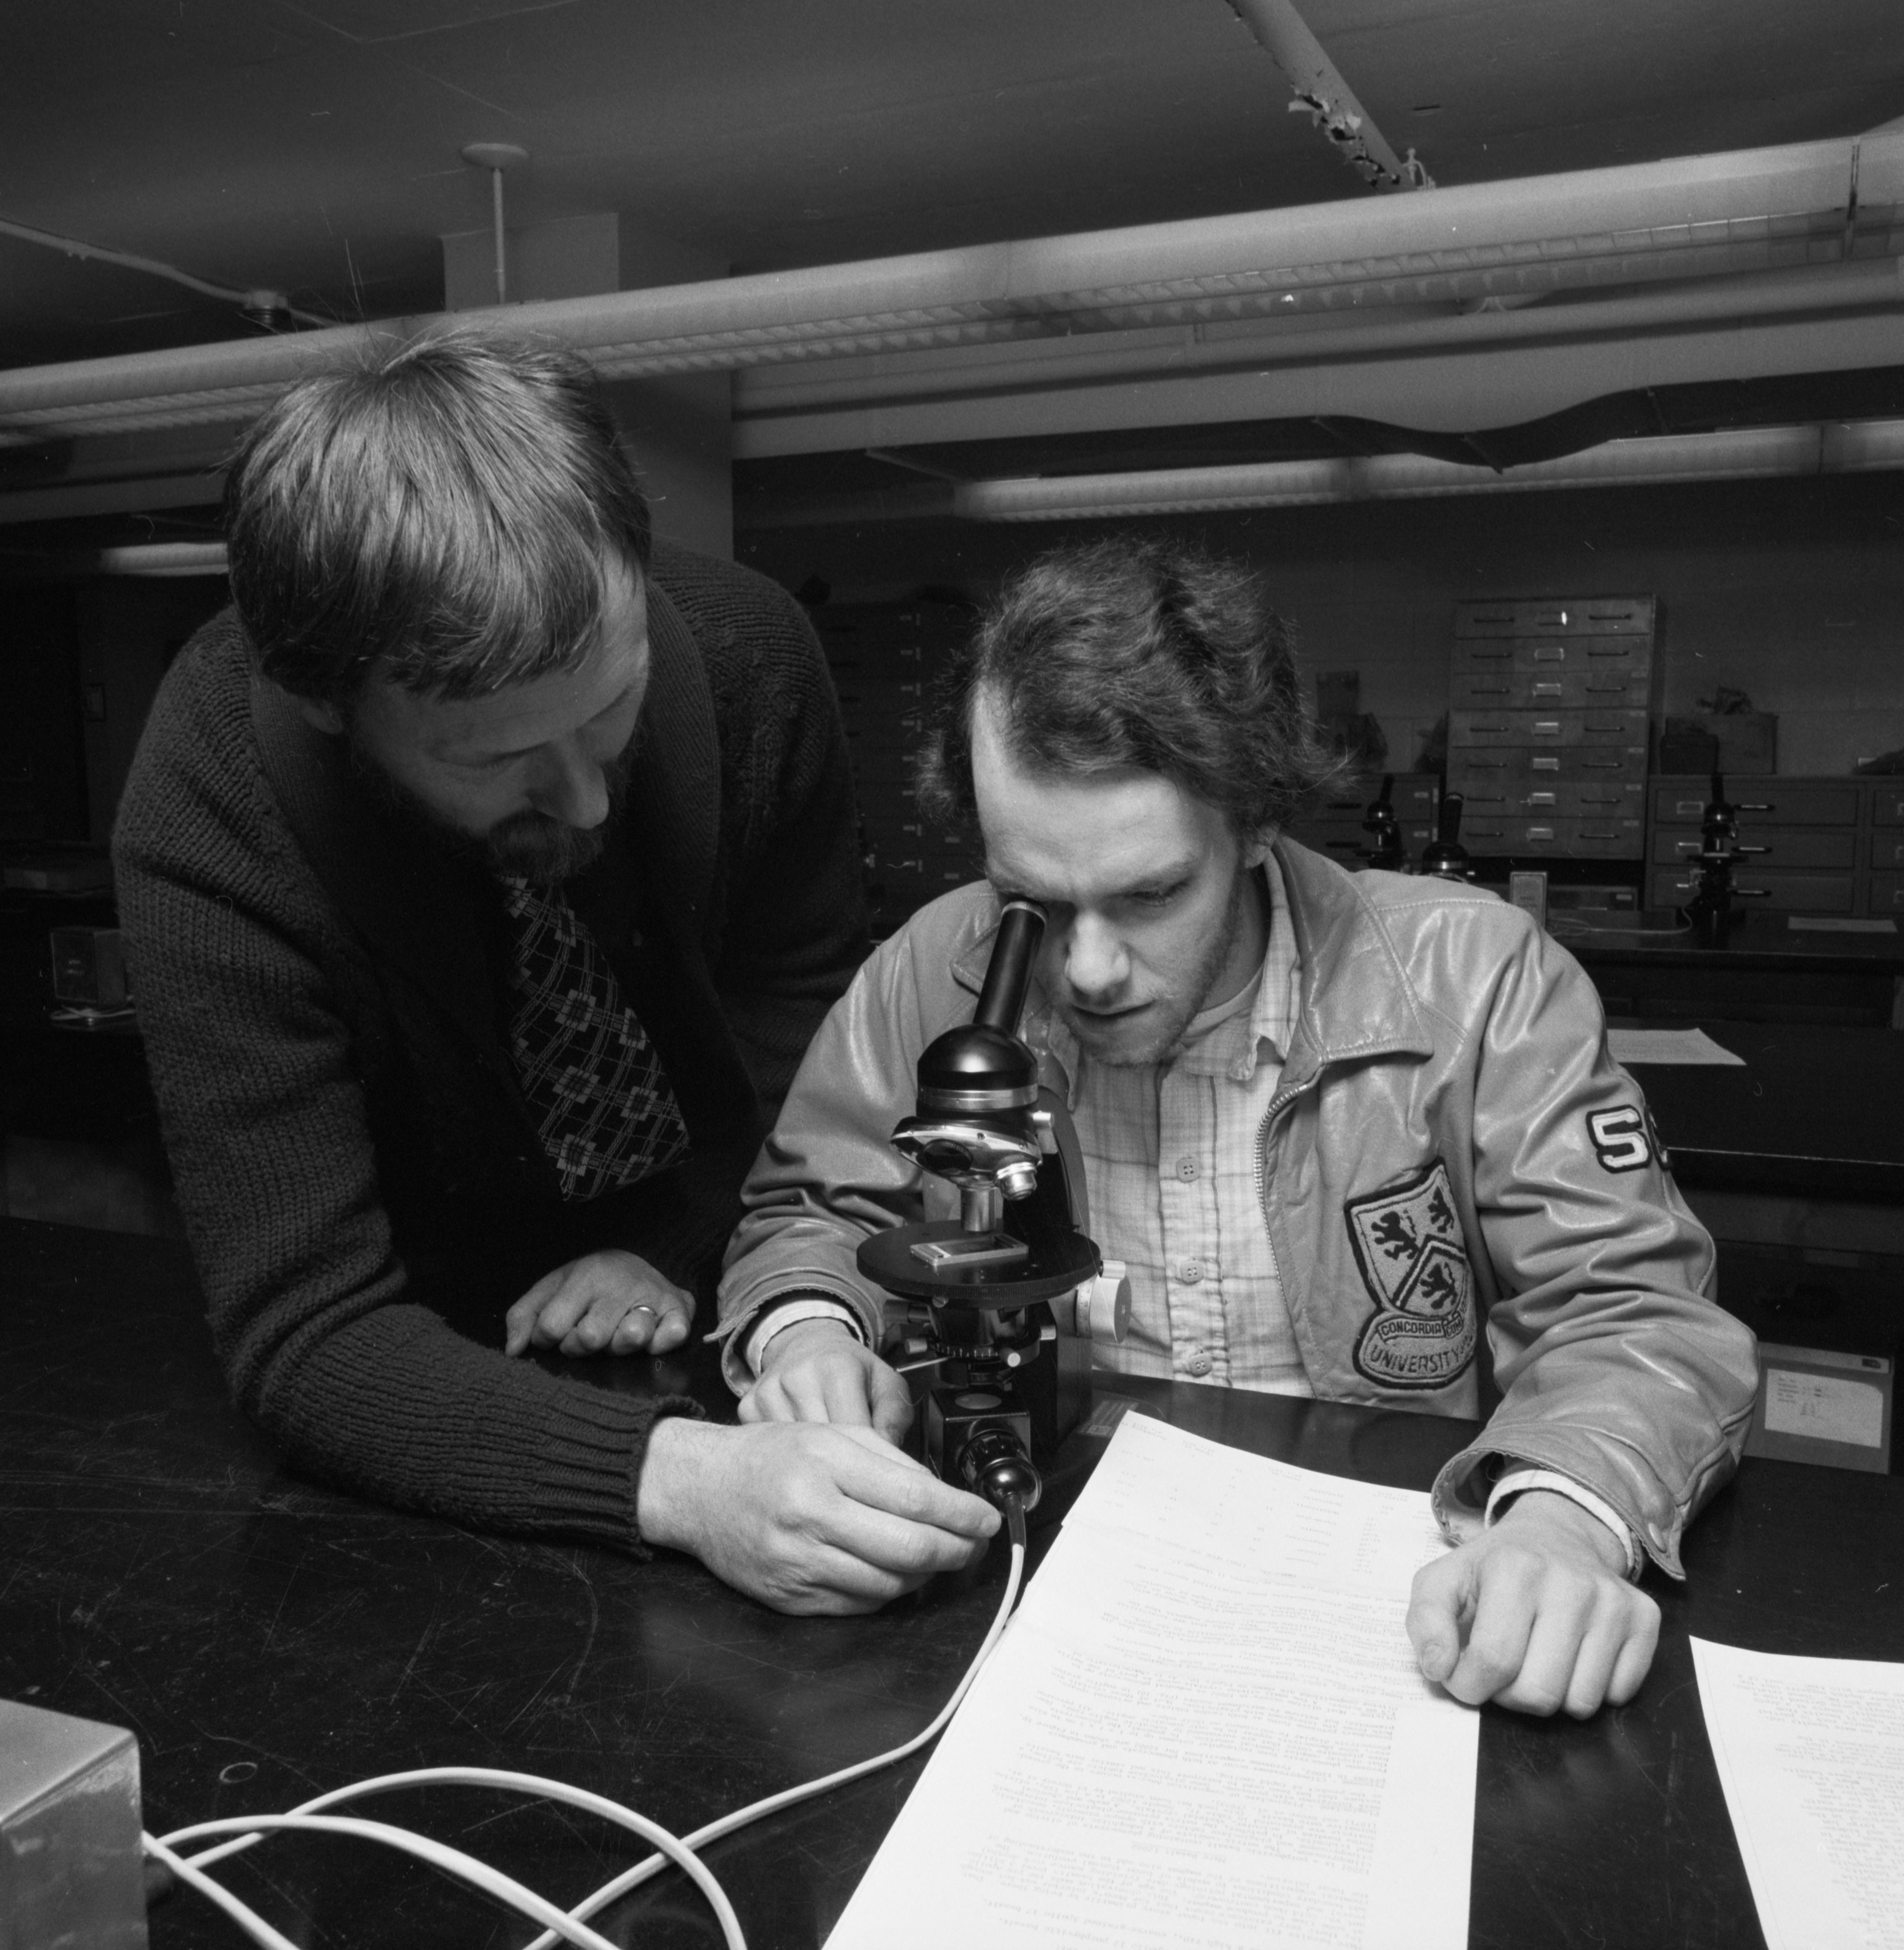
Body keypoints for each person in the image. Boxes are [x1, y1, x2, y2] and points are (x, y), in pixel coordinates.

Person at [714, 538, 1759, 1715]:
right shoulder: (933, 971)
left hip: (1384, 1619)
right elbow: (810, 1207)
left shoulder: (1476, 979)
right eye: (1033, 902)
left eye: (1152, 894)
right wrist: (809, 1334)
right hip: (1042, 1586)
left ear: (1256, 825)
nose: (1088, 967)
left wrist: (1563, 1524)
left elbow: (1633, 1311)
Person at [113, 331, 998, 1616]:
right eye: (497, 761)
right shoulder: (213, 797)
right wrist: (689, 1482)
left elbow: (796, 1053)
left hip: (722, 1296)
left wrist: (671, 1246)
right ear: (325, 701)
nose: (583, 798)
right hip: (421, 1392)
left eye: (611, 706)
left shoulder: (755, 657)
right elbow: (307, 1333)